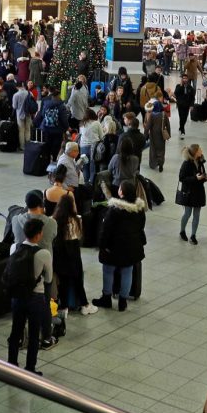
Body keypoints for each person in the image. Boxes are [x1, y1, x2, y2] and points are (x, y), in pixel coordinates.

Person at [6, 218, 52, 376]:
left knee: (15, 331)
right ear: (39, 235)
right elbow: (48, 278)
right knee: (33, 334)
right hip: (35, 298)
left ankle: (11, 364)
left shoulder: (14, 247)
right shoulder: (43, 253)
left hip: (17, 296)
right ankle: (30, 368)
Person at [91, 180, 147, 311]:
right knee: (127, 271)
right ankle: (123, 301)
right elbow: (141, 227)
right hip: (132, 247)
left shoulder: (114, 210)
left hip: (113, 248)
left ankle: (106, 297)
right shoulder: (139, 209)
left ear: (122, 193)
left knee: (108, 270)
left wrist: (102, 245)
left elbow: (106, 230)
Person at [51, 193, 98, 315]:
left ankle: (64, 307)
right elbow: (79, 236)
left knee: (63, 282)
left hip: (59, 253)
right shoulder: (77, 219)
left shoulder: (53, 220)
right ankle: (84, 305)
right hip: (73, 252)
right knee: (77, 280)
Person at [177, 144, 207, 244]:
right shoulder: (186, 164)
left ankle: (193, 235)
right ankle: (182, 231)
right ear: (195, 152)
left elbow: (201, 173)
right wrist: (195, 178)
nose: (201, 150)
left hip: (198, 192)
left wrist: (204, 177)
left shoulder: (200, 161)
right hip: (189, 193)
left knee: (197, 214)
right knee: (187, 213)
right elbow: (182, 178)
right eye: (200, 149)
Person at [34, 89, 69, 159]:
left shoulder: (46, 104)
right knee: (56, 145)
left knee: (47, 144)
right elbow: (64, 119)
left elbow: (43, 114)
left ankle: (47, 158)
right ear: (59, 96)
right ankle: (54, 158)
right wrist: (66, 127)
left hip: (46, 128)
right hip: (57, 129)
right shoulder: (61, 106)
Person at [143, 100, 170, 173]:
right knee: (161, 150)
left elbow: (148, 127)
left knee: (153, 150)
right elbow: (168, 125)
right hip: (161, 135)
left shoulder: (152, 115)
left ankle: (153, 164)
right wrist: (168, 135)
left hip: (153, 135)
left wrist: (145, 136)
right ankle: (161, 164)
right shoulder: (164, 114)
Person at [78, 108, 103, 184]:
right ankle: (92, 183)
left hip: (83, 147)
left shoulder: (82, 124)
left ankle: (86, 182)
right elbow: (101, 136)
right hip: (94, 147)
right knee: (93, 166)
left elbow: (80, 134)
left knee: (85, 166)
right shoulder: (96, 123)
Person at [12, 81, 37, 149]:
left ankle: (22, 146)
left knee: (21, 130)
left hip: (20, 114)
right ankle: (28, 145)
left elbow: (14, 106)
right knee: (28, 129)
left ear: (17, 87)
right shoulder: (29, 93)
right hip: (28, 114)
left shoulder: (16, 95)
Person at [174, 74, 195, 138]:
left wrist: (191, 105)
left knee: (185, 117)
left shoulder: (190, 88)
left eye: (186, 78)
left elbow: (192, 97)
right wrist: (181, 86)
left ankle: (181, 126)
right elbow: (176, 93)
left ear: (188, 79)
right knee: (181, 117)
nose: (185, 80)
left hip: (187, 105)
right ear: (182, 79)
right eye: (183, 78)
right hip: (180, 104)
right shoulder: (178, 86)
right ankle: (183, 130)